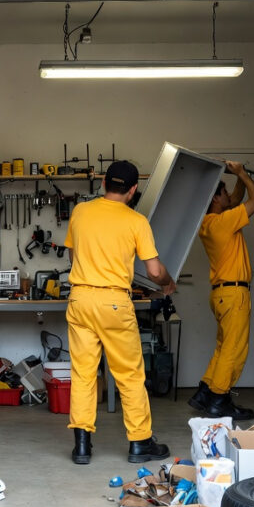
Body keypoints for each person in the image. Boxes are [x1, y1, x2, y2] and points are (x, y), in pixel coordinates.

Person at [63, 161, 176, 465]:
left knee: (84, 374)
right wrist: (168, 281)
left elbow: (74, 255)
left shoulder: (80, 212)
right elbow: (153, 272)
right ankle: (139, 443)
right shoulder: (136, 221)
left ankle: (82, 446)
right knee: (128, 374)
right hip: (114, 302)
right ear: (133, 189)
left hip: (80, 299)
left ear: (103, 183)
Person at [189, 161, 254, 421]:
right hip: (234, 294)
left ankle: (204, 392)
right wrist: (242, 173)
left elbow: (235, 199)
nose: (228, 198)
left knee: (223, 348)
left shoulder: (209, 223)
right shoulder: (224, 222)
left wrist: (238, 178)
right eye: (223, 194)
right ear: (216, 199)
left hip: (220, 295)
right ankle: (219, 400)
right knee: (234, 350)